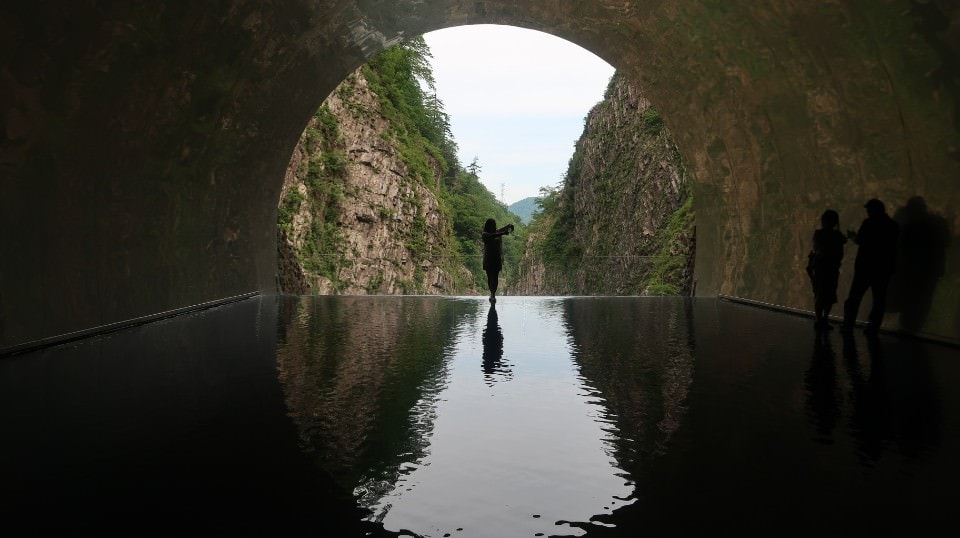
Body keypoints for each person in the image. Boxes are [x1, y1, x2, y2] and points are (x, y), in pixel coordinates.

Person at [842, 198, 900, 336]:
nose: (867, 212)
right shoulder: (892, 225)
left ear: (873, 210)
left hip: (865, 268)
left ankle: (848, 325)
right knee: (879, 300)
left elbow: (861, 240)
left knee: (854, 298)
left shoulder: (869, 223)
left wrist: (852, 236)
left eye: (869, 209)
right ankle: (873, 328)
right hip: (883, 269)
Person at [809, 209, 847, 330]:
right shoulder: (837, 236)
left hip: (823, 268)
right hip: (830, 269)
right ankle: (823, 319)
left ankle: (820, 320)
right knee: (827, 295)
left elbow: (817, 249)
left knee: (822, 294)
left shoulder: (820, 234)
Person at [482, 218, 514, 302]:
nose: (494, 226)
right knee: (489, 276)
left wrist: (509, 226)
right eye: (493, 224)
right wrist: (502, 233)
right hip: (488, 258)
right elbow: (492, 235)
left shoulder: (497, 232)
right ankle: (492, 293)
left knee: (495, 277)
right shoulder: (485, 234)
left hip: (496, 258)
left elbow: (501, 230)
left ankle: (493, 293)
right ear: (489, 226)